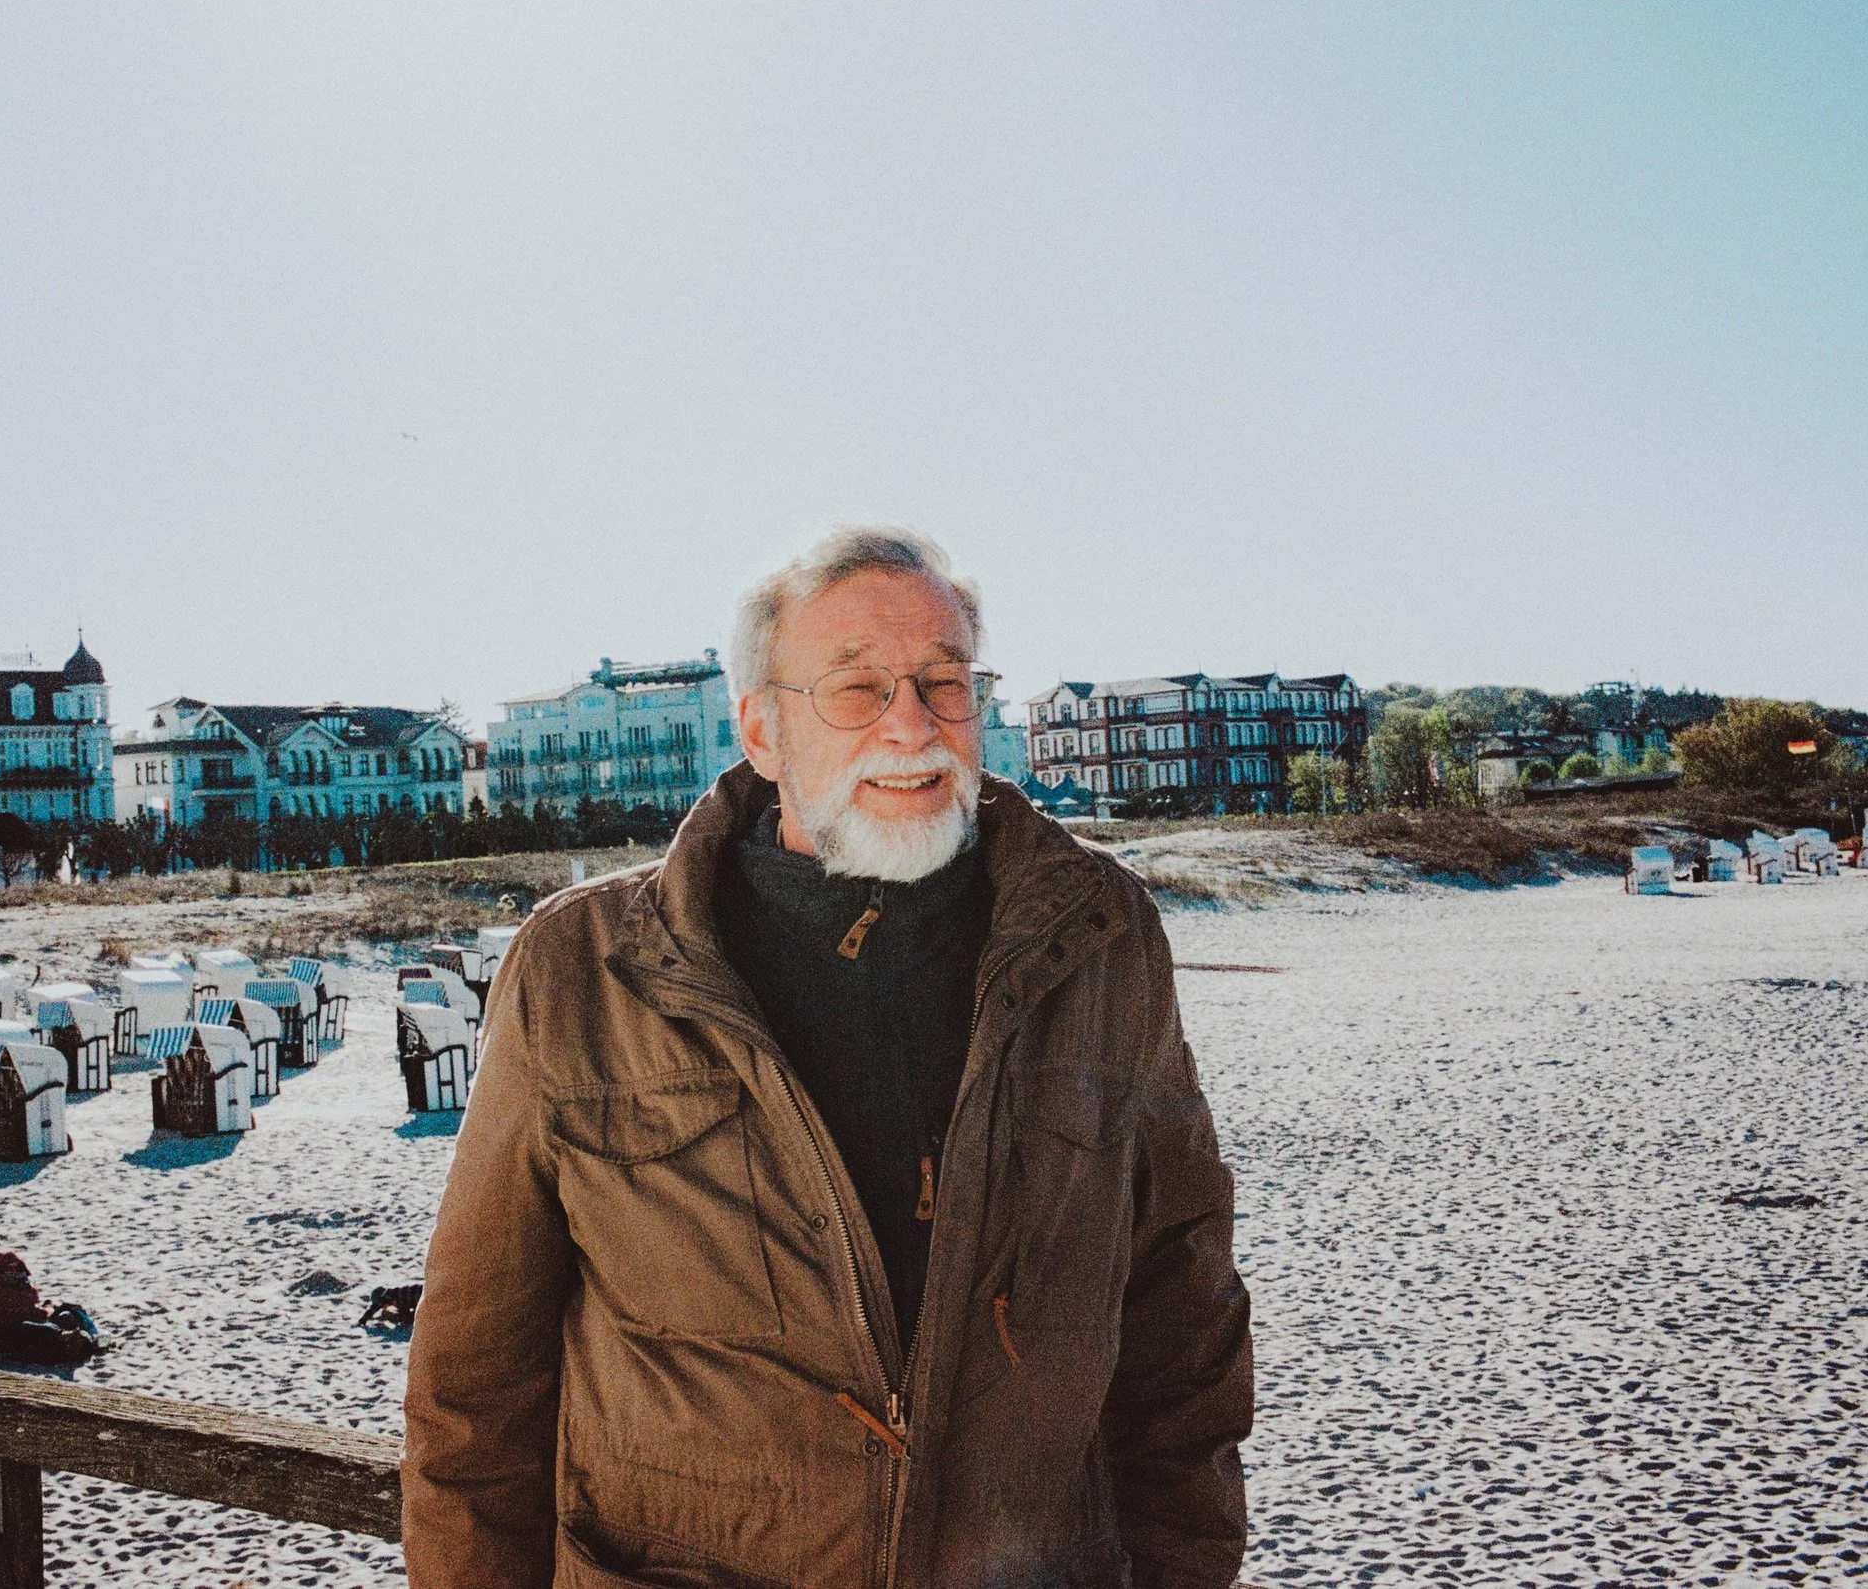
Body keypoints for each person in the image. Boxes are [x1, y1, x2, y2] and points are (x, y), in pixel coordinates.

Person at [403, 525, 1253, 1587]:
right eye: (854, 689)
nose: (912, 723)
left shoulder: (1096, 935)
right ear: (761, 727)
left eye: (945, 682)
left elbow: (1182, 1309)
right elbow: (475, 1383)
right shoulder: (586, 966)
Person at [0, 1251, 99, 1365]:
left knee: (67, 1317)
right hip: (9, 1332)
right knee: (43, 1329)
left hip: (33, 1325)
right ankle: (68, 1343)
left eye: (16, 1267)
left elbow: (35, 1312)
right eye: (8, 1268)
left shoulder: (27, 1288)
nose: (13, 1271)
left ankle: (78, 1340)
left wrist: (47, 1310)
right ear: (0, 1271)